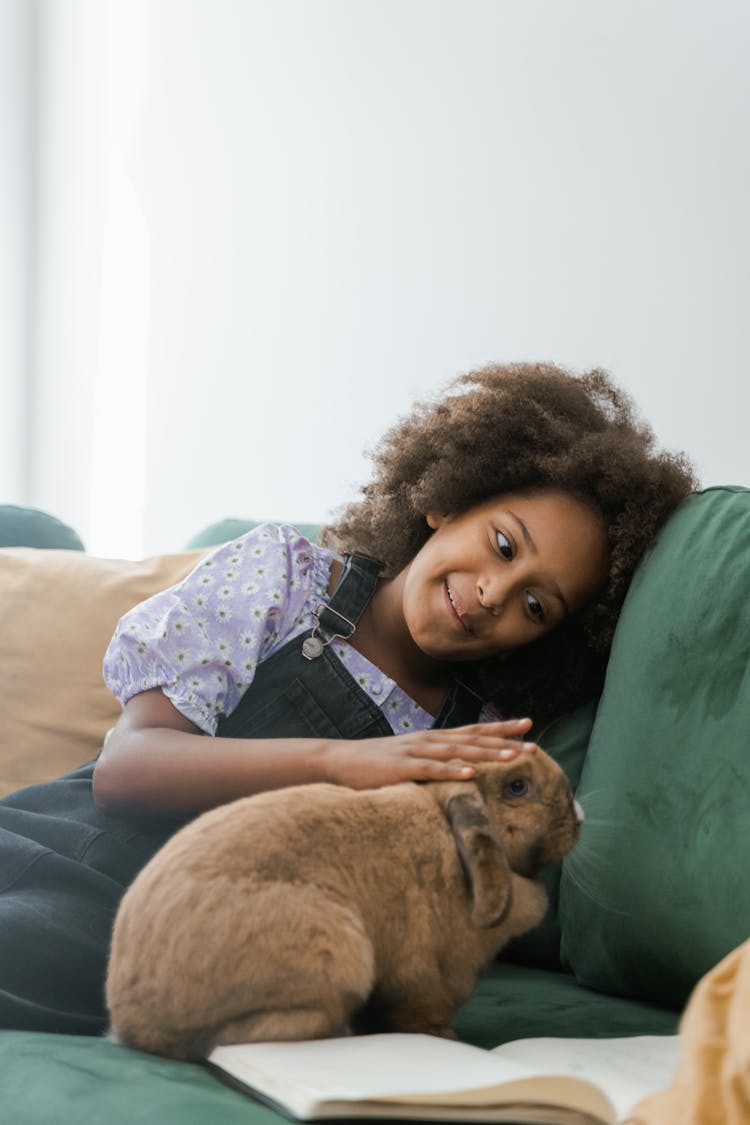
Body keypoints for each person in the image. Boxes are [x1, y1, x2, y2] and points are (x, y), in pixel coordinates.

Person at [0, 362, 695, 1035]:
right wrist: (345, 762)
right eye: (503, 545)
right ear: (446, 500)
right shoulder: (284, 578)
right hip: (67, 850)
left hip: (195, 938)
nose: (493, 593)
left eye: (536, 604)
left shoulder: (475, 738)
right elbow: (127, 772)